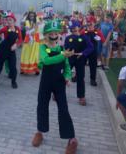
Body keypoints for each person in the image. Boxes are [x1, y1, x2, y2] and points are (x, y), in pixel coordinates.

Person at [31, 20, 78, 154]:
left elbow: (67, 66)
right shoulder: (43, 47)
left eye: (55, 32)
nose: (53, 35)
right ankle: (40, 132)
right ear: (46, 34)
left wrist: (68, 77)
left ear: (59, 34)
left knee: (63, 108)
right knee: (42, 105)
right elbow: (46, 61)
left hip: (59, 82)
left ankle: (72, 139)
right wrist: (62, 55)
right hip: (46, 81)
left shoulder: (62, 48)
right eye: (50, 32)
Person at [0, 12, 22, 89]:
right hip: (3, 50)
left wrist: (16, 45)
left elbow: (20, 39)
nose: (8, 21)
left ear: (14, 21)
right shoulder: (5, 28)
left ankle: (14, 81)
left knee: (13, 67)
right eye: (7, 20)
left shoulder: (17, 29)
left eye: (10, 20)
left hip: (11, 51)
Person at [64, 20, 93, 106]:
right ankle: (57, 93)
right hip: (70, 58)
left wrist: (83, 53)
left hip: (80, 59)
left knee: (80, 77)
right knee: (65, 75)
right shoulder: (68, 38)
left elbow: (90, 47)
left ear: (79, 28)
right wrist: (68, 52)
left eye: (76, 29)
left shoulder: (85, 38)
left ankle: (81, 97)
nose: (74, 30)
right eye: (73, 29)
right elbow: (66, 48)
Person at [81, 21, 105, 86]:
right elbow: (79, 39)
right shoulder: (83, 31)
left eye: (91, 25)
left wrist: (99, 39)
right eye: (88, 25)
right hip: (85, 51)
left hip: (93, 52)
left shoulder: (97, 32)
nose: (90, 26)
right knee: (80, 65)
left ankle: (93, 80)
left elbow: (103, 40)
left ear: (94, 25)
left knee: (93, 66)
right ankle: (78, 77)